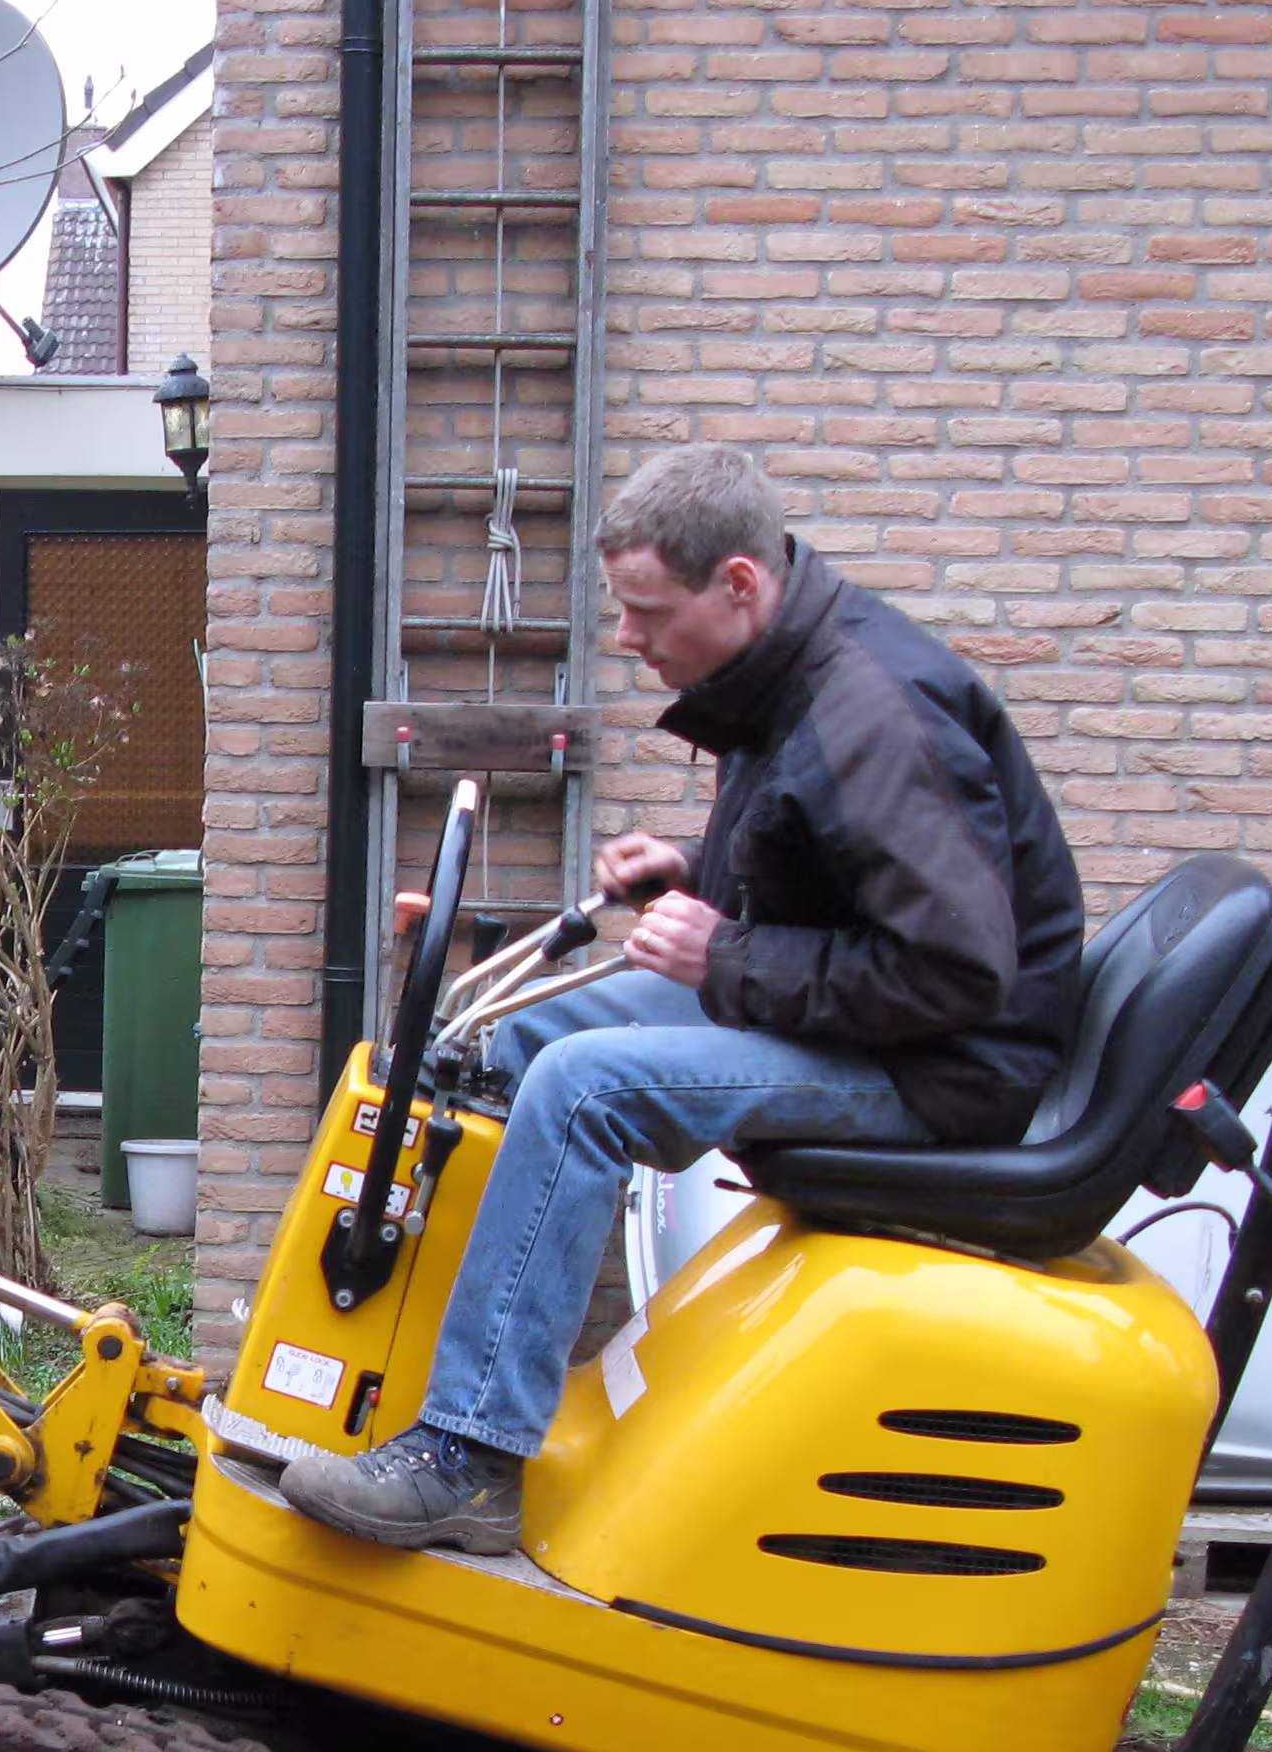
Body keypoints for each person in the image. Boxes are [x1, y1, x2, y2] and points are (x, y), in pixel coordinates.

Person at [284, 444, 1086, 1555]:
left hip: (937, 1069)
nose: (626, 637)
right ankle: (387, 1379)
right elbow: (840, 866)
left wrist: (728, 956)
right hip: (869, 1025)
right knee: (512, 1040)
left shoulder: (875, 715)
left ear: (740, 585)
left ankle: (468, 1459)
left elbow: (957, 972)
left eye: (646, 611)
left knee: (581, 1089)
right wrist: (697, 873)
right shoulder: (791, 677)